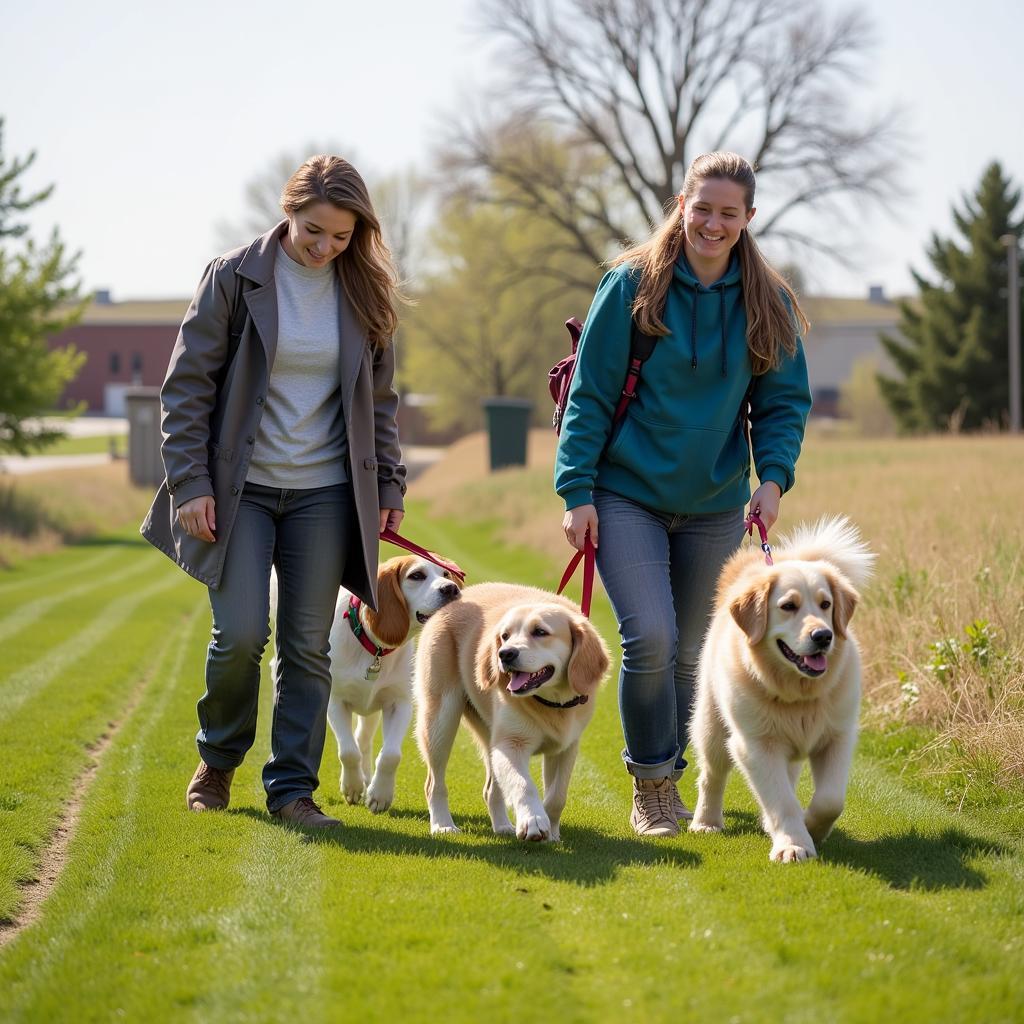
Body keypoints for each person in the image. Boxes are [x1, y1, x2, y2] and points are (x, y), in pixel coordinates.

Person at [142, 155, 407, 828]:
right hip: (240, 492)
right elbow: (186, 390)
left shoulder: (363, 291)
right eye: (314, 231)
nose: (326, 249)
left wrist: (390, 484)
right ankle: (219, 757)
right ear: (289, 212)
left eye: (343, 237)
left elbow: (379, 403)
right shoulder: (233, 277)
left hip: (325, 493)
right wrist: (191, 484)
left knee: (307, 645)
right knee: (239, 635)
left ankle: (293, 790)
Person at [554, 151, 812, 838]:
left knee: (695, 652)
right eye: (703, 208)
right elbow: (591, 393)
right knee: (653, 637)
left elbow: (783, 404)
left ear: (748, 219)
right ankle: (653, 784)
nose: (713, 223)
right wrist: (576, 488)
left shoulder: (768, 301)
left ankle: (669, 772)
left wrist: (774, 478)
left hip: (716, 502)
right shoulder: (632, 285)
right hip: (625, 493)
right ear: (681, 204)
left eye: (729, 213)